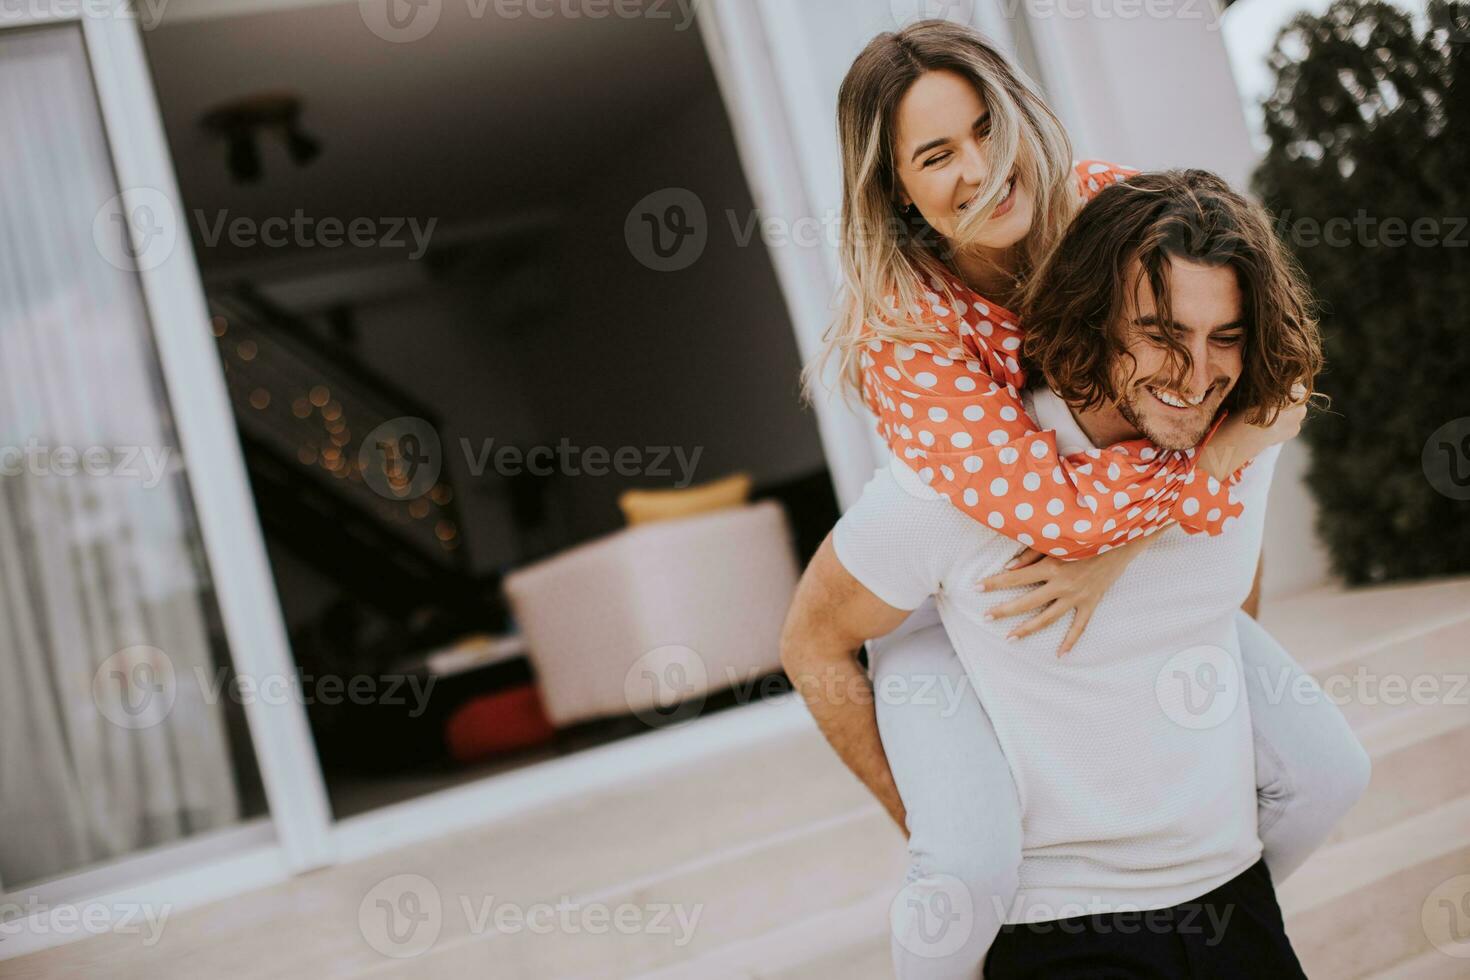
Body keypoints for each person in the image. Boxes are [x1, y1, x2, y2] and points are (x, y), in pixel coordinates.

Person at [784, 31, 1370, 969]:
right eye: (937, 155)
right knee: (970, 864)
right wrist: (1213, 464)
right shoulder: (903, 331)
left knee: (1328, 770)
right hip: (956, 580)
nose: (983, 168)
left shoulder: (1104, 203)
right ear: (895, 187)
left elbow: (1272, 365)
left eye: (988, 127)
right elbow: (1057, 519)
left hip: (1111, 528)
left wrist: (1144, 561)